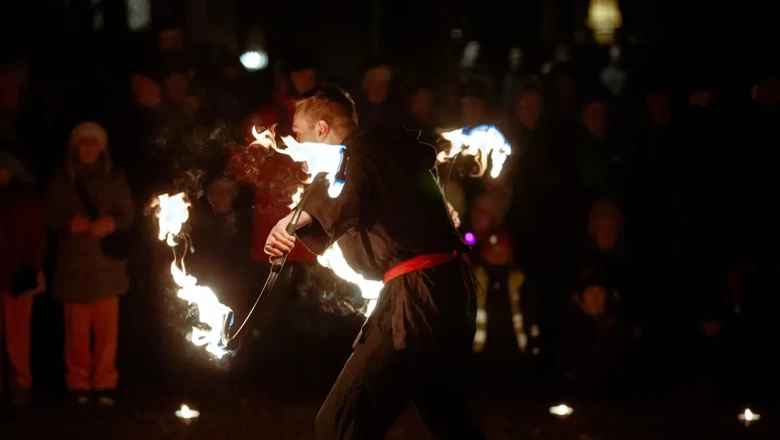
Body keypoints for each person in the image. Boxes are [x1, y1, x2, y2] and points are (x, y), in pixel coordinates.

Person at [264, 86, 485, 439]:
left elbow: (343, 197)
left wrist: (290, 222)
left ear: (321, 130)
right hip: (445, 294)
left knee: (341, 423)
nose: (296, 149)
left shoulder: (362, 151)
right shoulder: (382, 155)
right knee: (447, 417)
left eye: (299, 136)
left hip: (416, 299)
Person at [46, 122, 134, 406]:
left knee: (107, 330)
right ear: (75, 146)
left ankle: (105, 382)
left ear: (102, 147)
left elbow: (127, 213)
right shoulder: (62, 178)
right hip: (73, 263)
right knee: (77, 329)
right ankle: (79, 382)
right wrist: (70, 223)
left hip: (106, 265)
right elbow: (49, 213)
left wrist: (111, 222)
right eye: (84, 142)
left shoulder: (114, 177)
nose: (89, 147)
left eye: (94, 142)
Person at [0, 151, 46, 407]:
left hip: (17, 277)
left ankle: (20, 383)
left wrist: (30, 268)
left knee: (18, 337)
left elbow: (37, 239)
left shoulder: (27, 203)